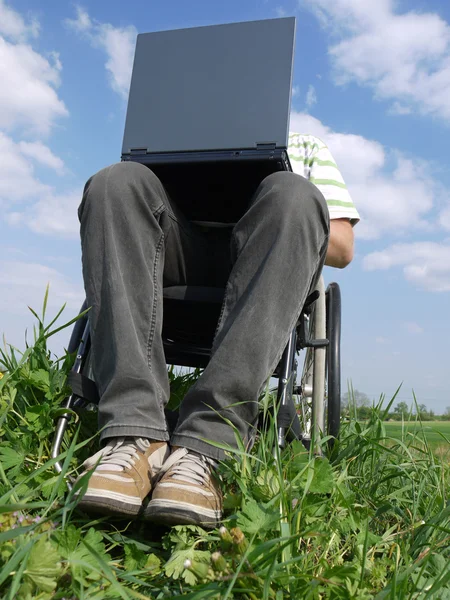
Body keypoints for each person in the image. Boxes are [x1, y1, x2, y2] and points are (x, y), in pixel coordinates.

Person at [76, 132, 360, 527]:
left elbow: (343, 246)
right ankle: (133, 434)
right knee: (115, 182)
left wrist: (289, 217)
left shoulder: (305, 145)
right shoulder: (173, 126)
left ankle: (207, 446)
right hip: (175, 251)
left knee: (295, 195)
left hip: (264, 259)